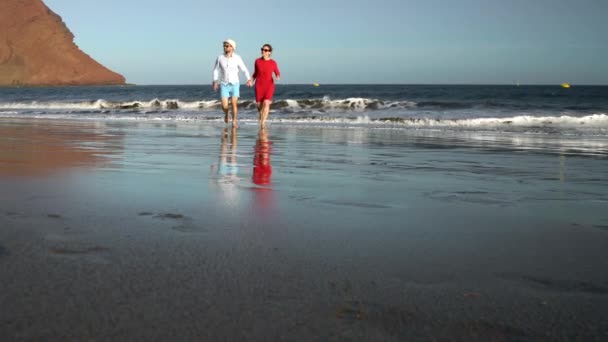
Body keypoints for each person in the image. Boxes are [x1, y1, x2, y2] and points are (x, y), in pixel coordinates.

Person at [212, 39, 252, 127]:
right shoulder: (220, 58)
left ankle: (234, 122)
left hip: (235, 84)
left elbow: (244, 69)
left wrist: (248, 79)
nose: (225, 47)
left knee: (234, 103)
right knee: (224, 106)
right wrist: (215, 81)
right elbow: (215, 70)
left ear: (232, 47)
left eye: (227, 46)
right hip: (224, 84)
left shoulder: (237, 58)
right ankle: (226, 113)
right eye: (224, 46)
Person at [251, 43, 280, 128]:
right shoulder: (257, 61)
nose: (263, 51)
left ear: (269, 52)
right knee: (260, 107)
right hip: (259, 86)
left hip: (269, 85)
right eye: (262, 49)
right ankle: (261, 116)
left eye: (266, 50)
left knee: (266, 103)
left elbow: (277, 72)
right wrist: (251, 80)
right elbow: (255, 73)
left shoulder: (273, 62)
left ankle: (263, 123)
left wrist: (277, 76)